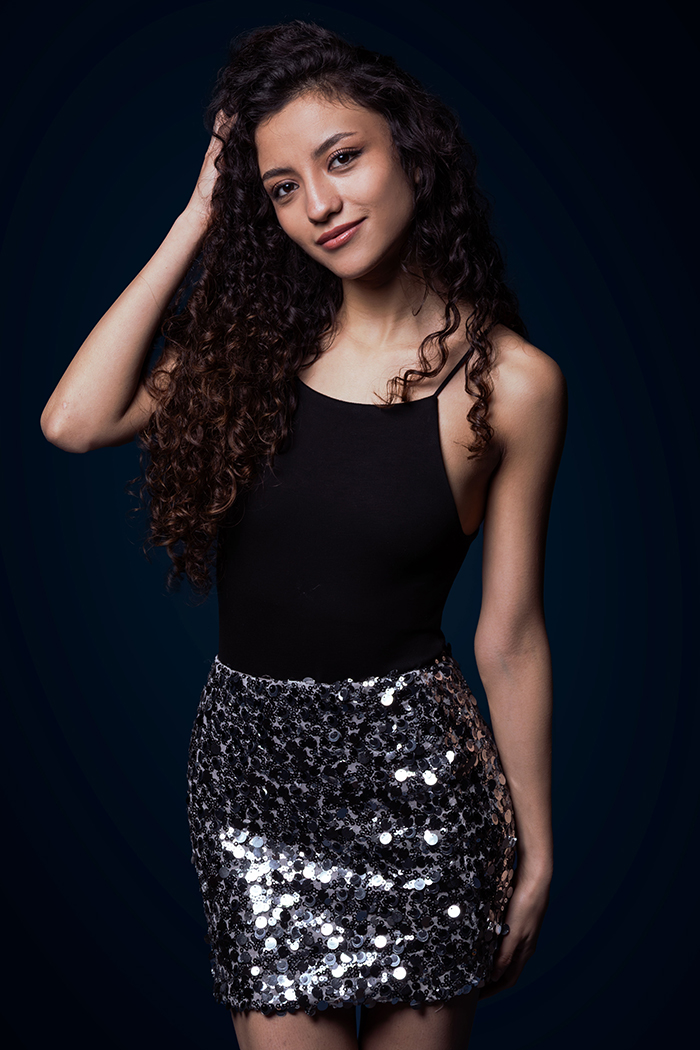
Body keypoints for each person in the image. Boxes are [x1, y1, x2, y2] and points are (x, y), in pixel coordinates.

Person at [41, 19, 567, 1050]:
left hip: (420, 792)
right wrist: (199, 215)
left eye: (342, 159)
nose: (319, 204)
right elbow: (74, 421)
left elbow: (510, 634)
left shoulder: (514, 385)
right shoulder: (252, 348)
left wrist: (538, 849)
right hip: (251, 787)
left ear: (410, 150)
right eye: (281, 187)